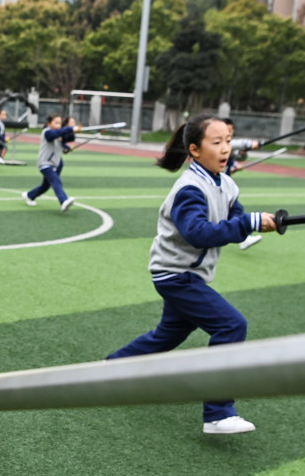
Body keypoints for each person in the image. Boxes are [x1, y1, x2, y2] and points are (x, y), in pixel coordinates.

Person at [107, 113, 275, 435]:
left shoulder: (226, 183)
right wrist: (248, 223)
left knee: (167, 335)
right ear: (195, 150)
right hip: (174, 275)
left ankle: (109, 369)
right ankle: (217, 412)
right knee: (231, 324)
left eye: (228, 140)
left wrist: (263, 223)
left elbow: (235, 222)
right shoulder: (189, 188)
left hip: (189, 276)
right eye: (217, 142)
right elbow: (198, 233)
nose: (226, 148)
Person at [21, 114, 79, 211]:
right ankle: (63, 201)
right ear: (49, 123)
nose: (58, 125)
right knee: (56, 181)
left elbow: (70, 139)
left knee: (45, 186)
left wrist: (69, 141)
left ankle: (29, 196)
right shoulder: (47, 132)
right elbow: (55, 135)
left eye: (60, 123)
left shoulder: (59, 134)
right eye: (56, 123)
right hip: (45, 163)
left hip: (54, 164)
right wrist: (70, 128)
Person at [222, 118, 262, 251]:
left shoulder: (227, 146)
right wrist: (251, 144)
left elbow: (236, 156)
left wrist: (242, 154)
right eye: (227, 130)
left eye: (231, 131)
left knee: (233, 209)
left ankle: (243, 238)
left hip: (224, 183)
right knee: (234, 209)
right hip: (220, 184)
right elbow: (233, 147)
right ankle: (243, 238)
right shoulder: (221, 144)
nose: (229, 133)